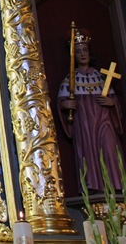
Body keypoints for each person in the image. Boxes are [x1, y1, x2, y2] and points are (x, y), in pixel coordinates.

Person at [57, 29, 123, 192]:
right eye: (78, 51)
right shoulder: (71, 79)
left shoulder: (100, 77)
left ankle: (116, 185)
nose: (82, 54)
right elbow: (61, 102)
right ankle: (93, 187)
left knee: (109, 148)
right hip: (84, 123)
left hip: (104, 121)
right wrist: (65, 105)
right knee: (88, 152)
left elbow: (114, 102)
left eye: (84, 50)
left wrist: (111, 102)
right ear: (74, 56)